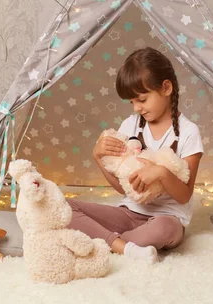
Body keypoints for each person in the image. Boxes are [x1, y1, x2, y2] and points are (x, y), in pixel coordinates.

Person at [67, 47, 203, 263]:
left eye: (142, 99)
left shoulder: (188, 132)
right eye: (131, 102)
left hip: (167, 218)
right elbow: (124, 188)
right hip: (128, 214)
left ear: (166, 88)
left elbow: (184, 195)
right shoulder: (130, 126)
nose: (136, 108)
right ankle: (125, 247)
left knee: (163, 229)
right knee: (63, 207)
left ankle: (107, 243)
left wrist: (160, 173)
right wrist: (98, 158)